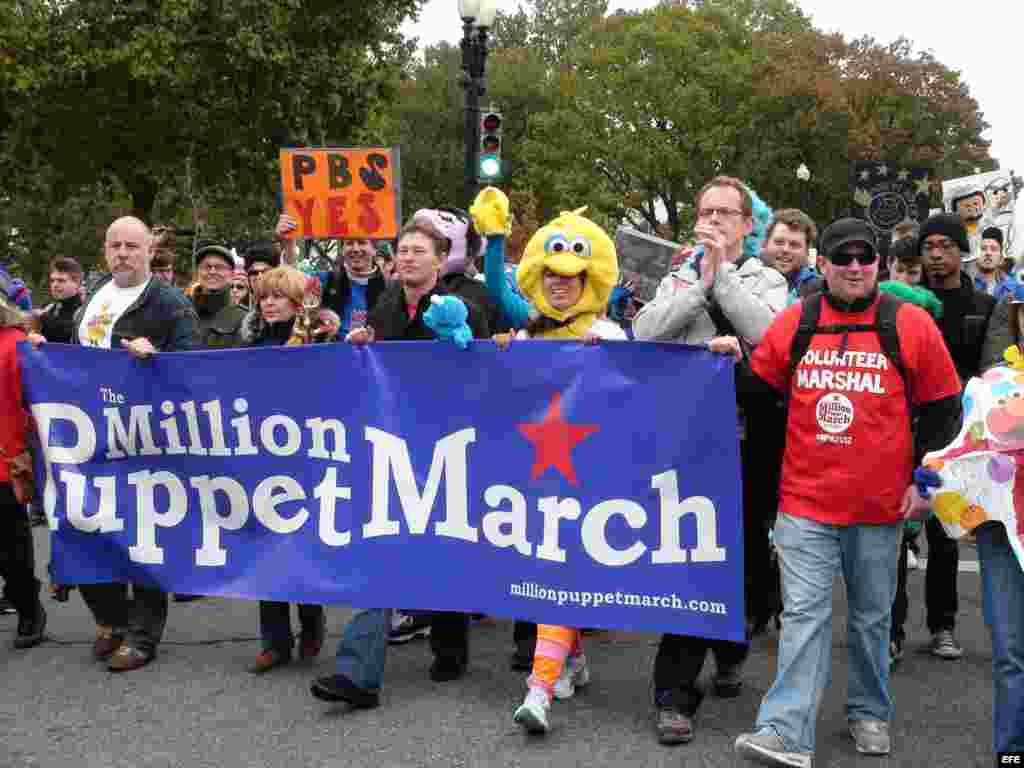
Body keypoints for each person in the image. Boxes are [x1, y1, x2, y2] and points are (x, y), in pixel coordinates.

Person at [730, 217, 962, 766]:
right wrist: (718, 359)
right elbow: (757, 391)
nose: (854, 266)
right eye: (842, 257)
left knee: (871, 618)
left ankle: (868, 712)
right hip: (805, 501)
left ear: (879, 262)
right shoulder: (798, 321)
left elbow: (945, 409)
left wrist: (923, 483)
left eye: (864, 256)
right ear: (823, 264)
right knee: (805, 616)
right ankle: (786, 731)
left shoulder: (910, 324)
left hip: (881, 505)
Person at [631, 177, 787, 745]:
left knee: (745, 555)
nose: (715, 220)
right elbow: (645, 332)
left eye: (727, 213)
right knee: (689, 556)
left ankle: (733, 644)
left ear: (749, 224)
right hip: (688, 437)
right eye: (706, 211)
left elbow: (770, 335)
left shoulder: (768, 278)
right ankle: (674, 693)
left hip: (752, 440)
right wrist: (697, 284)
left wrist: (722, 275)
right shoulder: (678, 273)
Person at [310, 217, 488, 710]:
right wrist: (363, 345)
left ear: (439, 260)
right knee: (380, 550)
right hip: (391, 441)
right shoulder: (386, 303)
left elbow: (480, 358)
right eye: (402, 250)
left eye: (417, 251)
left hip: (451, 444)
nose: (407, 258)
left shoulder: (462, 304)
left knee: (445, 542)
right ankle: (358, 674)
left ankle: (451, 643)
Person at [465, 187, 624, 735]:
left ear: (589, 279)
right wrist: (492, 239)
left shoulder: (609, 336)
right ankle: (569, 659)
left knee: (561, 574)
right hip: (531, 478)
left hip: (591, 478)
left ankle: (538, 689)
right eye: (551, 273)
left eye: (571, 274)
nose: (560, 281)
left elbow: (637, 399)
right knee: (551, 573)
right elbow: (496, 291)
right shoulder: (526, 329)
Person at [70, 216, 198, 672]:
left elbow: (195, 367)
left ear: (149, 251)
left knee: (143, 535)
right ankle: (111, 619)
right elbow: (76, 357)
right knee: (88, 524)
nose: (122, 253)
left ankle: (143, 635)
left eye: (132, 246)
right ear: (105, 250)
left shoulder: (169, 303)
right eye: (114, 245)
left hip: (145, 439)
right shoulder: (96, 297)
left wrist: (157, 360)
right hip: (91, 434)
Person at [241, 265, 336, 672]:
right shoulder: (252, 344)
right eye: (263, 297)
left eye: (278, 296)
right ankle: (274, 639)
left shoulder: (316, 339)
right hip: (261, 452)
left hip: (304, 453)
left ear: (298, 302)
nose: (269, 303)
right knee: (266, 545)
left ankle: (311, 623)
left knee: (301, 542)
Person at [920, 212, 996, 660]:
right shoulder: (906, 302)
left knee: (945, 531)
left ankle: (942, 626)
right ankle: (890, 629)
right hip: (910, 424)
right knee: (895, 531)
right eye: (928, 247)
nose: (935, 254)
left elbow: (990, 372)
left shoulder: (984, 306)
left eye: (944, 246)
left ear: (959, 252)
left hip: (958, 431)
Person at [0, 285, 46, 649]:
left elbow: (39, 402)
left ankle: (28, 606)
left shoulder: (15, 344)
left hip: (6, 462)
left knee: (11, 549)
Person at [275, 215, 387, 335]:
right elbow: (290, 280)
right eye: (349, 243)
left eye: (362, 242)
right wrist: (289, 244)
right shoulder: (324, 281)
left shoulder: (390, 288)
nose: (355, 248)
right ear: (343, 250)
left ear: (374, 249)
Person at [191, 244, 246, 349]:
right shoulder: (182, 312)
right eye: (206, 267)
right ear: (197, 272)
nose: (212, 272)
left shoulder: (244, 319)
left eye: (219, 267)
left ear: (232, 274)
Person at [760, 208, 817, 303]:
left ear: (807, 252)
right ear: (765, 243)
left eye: (794, 245)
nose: (785, 250)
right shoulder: (742, 281)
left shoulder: (818, 293)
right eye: (779, 242)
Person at [37, 257, 84, 344]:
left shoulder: (84, 309)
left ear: (76, 283)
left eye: (61, 280)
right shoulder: (47, 306)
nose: (55, 285)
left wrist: (43, 317)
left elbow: (71, 331)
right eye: (52, 280)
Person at [975, 227, 1015, 300]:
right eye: (983, 248)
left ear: (1001, 257)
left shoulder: (1013, 288)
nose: (988, 253)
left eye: (993, 249)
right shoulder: (967, 284)